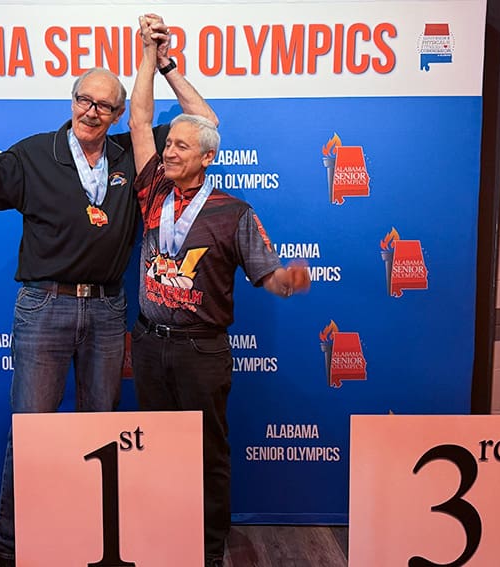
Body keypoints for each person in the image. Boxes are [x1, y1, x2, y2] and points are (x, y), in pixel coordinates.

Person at [0, 36, 212, 565]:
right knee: (32, 432)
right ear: (72, 100)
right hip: (44, 308)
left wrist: (165, 63)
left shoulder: (135, 152)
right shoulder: (35, 153)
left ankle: (86, 540)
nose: (93, 111)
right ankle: (12, 548)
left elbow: (205, 123)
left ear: (119, 114)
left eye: (106, 105)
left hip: (107, 312)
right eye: (85, 99)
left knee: (99, 431)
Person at [129, 16, 312, 567]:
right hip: (148, 342)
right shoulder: (153, 190)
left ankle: (208, 551)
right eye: (169, 144)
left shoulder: (235, 212)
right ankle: (161, 538)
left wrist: (286, 282)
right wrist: (148, 55)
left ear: (207, 157)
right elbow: (140, 118)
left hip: (201, 350)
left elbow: (268, 274)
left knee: (208, 454)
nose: (169, 151)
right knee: (155, 450)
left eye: (182, 146)